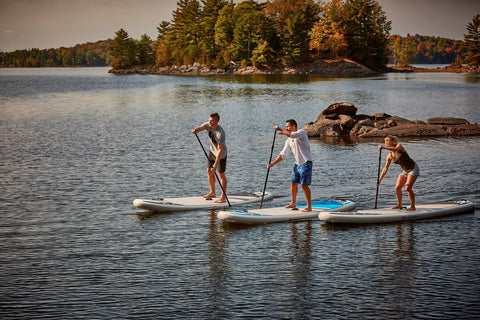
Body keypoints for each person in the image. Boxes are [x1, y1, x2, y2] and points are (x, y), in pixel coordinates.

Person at [267, 119, 313, 212]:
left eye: (288, 126)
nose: (286, 128)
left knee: (304, 185)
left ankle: (309, 206)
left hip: (306, 162)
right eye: (286, 126)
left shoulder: (301, 133)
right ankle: (293, 203)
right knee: (293, 184)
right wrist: (273, 163)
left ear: (294, 126)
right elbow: (283, 154)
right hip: (297, 164)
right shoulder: (288, 141)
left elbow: (292, 135)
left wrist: (280, 129)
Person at [191, 112, 228, 203]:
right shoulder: (208, 125)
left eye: (213, 121)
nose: (211, 123)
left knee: (221, 174)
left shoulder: (221, 133)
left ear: (217, 121)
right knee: (209, 170)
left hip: (221, 154)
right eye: (210, 120)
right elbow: (200, 128)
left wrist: (215, 165)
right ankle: (212, 192)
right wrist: (195, 130)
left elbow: (220, 150)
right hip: (212, 151)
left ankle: (223, 197)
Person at [377, 135, 419, 211]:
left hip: (413, 168)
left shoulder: (399, 147)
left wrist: (383, 148)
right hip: (405, 171)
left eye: (388, 143)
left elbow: (395, 148)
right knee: (397, 187)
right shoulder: (389, 156)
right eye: (385, 143)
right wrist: (379, 180)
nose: (387, 144)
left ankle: (413, 206)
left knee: (408, 187)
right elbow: (385, 168)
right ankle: (399, 205)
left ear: (393, 142)